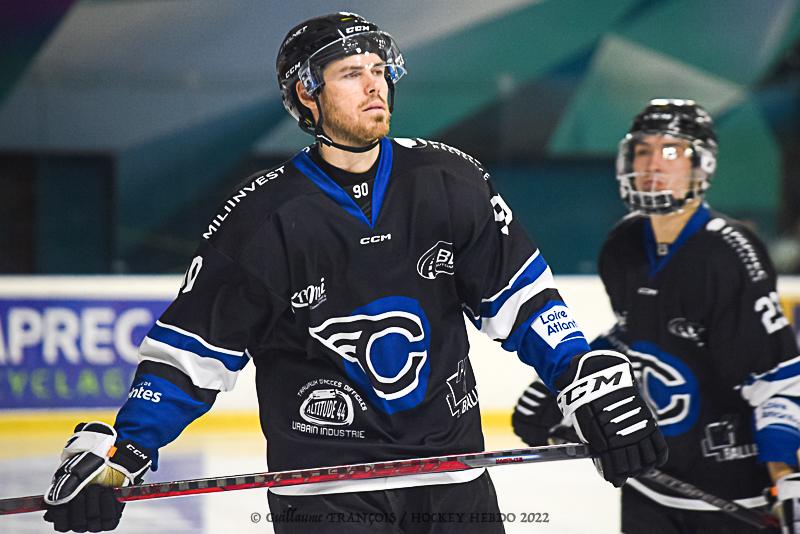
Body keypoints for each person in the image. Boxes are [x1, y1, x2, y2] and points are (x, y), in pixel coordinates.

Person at [41, 13, 666, 534]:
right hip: (325, 492)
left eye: (378, 70)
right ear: (306, 96)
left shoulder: (450, 182)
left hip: (454, 477)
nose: (374, 86)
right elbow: (192, 357)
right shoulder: (262, 221)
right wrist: (125, 450)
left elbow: (522, 301)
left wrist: (579, 372)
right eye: (350, 74)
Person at [512, 99, 800, 533]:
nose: (652, 164)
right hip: (649, 482)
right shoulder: (623, 243)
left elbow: (776, 378)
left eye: (670, 151)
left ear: (701, 165)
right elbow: (635, 334)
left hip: (732, 493)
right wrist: (572, 381)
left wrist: (787, 477)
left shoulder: (729, 253)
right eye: (643, 151)